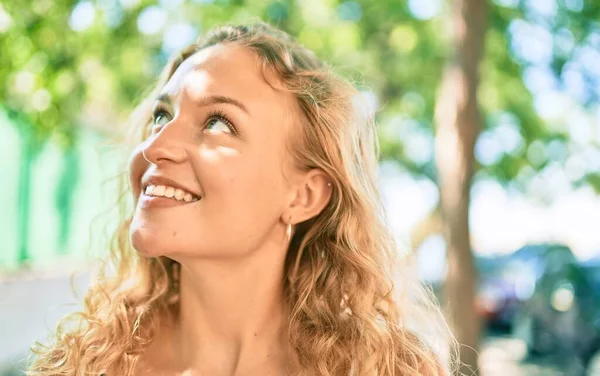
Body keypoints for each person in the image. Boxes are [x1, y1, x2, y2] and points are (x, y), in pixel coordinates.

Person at [27, 23, 456, 375]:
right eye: (162, 116)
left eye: (218, 123)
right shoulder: (84, 365)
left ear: (304, 196)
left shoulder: (385, 370)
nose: (157, 145)